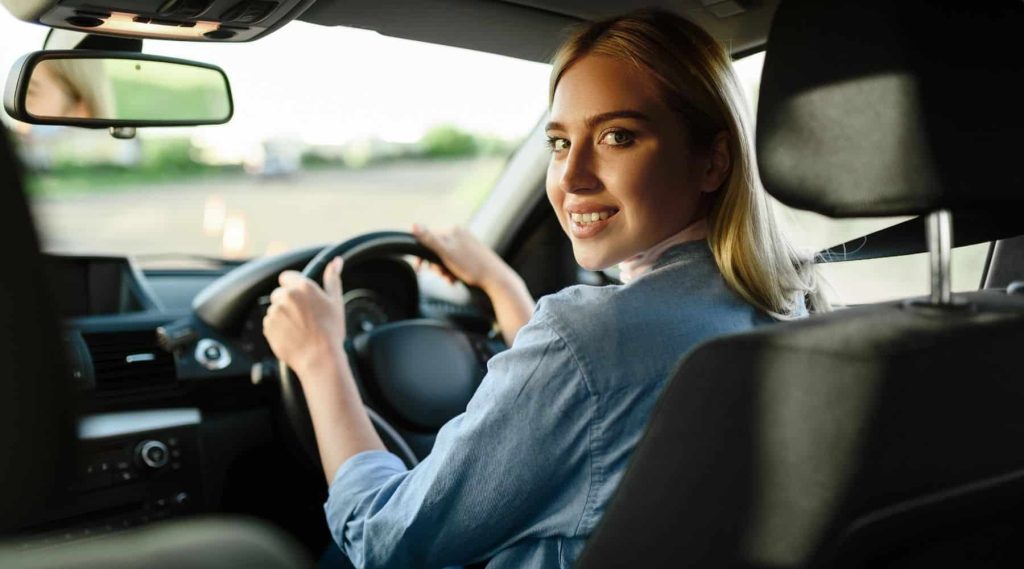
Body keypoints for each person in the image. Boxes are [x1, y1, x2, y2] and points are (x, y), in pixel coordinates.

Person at [262, 8, 827, 569]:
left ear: (714, 160)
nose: (572, 176)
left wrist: (319, 359)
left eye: (617, 136)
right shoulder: (791, 302)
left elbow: (383, 541)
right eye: (559, 142)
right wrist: (504, 288)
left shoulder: (589, 338)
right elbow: (598, 388)